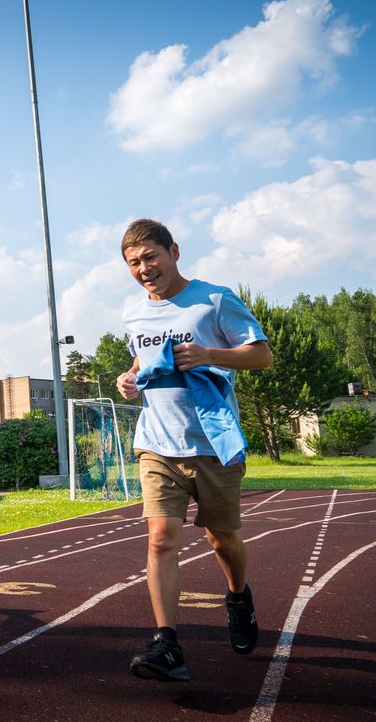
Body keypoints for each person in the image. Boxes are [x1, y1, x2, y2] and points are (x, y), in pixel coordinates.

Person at [116, 219, 271, 682]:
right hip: (157, 443)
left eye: (150, 257)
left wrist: (210, 355)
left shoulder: (214, 299)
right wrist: (128, 378)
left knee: (221, 539)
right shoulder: (135, 313)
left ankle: (238, 596)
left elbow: (260, 355)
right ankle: (167, 643)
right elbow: (143, 360)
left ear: (173, 251)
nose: (144, 269)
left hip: (213, 444)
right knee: (161, 537)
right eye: (133, 263)